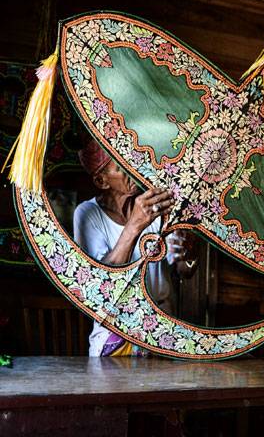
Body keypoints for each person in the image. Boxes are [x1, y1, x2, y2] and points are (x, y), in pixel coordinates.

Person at [74, 140, 194, 356]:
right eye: (121, 166)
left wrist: (188, 253)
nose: (132, 168)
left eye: (132, 161)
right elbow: (102, 284)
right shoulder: (87, 214)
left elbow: (184, 270)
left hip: (162, 331)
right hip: (116, 336)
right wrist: (135, 224)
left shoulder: (155, 206)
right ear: (101, 181)